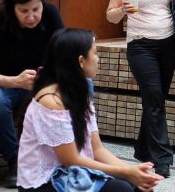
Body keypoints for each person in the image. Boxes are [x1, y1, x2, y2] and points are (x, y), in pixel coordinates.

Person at [17, 28, 163, 192]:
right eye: (95, 53)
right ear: (81, 61)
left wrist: (134, 173)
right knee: (121, 189)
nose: (98, 59)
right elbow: (70, 160)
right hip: (44, 182)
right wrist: (126, 172)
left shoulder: (79, 93)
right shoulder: (51, 101)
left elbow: (97, 149)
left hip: (71, 172)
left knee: (140, 187)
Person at [105, 0, 175, 178]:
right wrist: (122, 11)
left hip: (168, 42)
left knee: (156, 99)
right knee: (152, 96)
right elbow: (110, 16)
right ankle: (162, 159)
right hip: (140, 44)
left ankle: (143, 149)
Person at [0, 0, 64, 188]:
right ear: (12, 8)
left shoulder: (51, 14)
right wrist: (15, 81)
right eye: (24, 11)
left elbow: (67, 58)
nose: (31, 17)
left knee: (85, 84)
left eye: (36, 9)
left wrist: (50, 75)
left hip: (44, 85)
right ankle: (15, 161)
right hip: (8, 84)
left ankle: (74, 152)